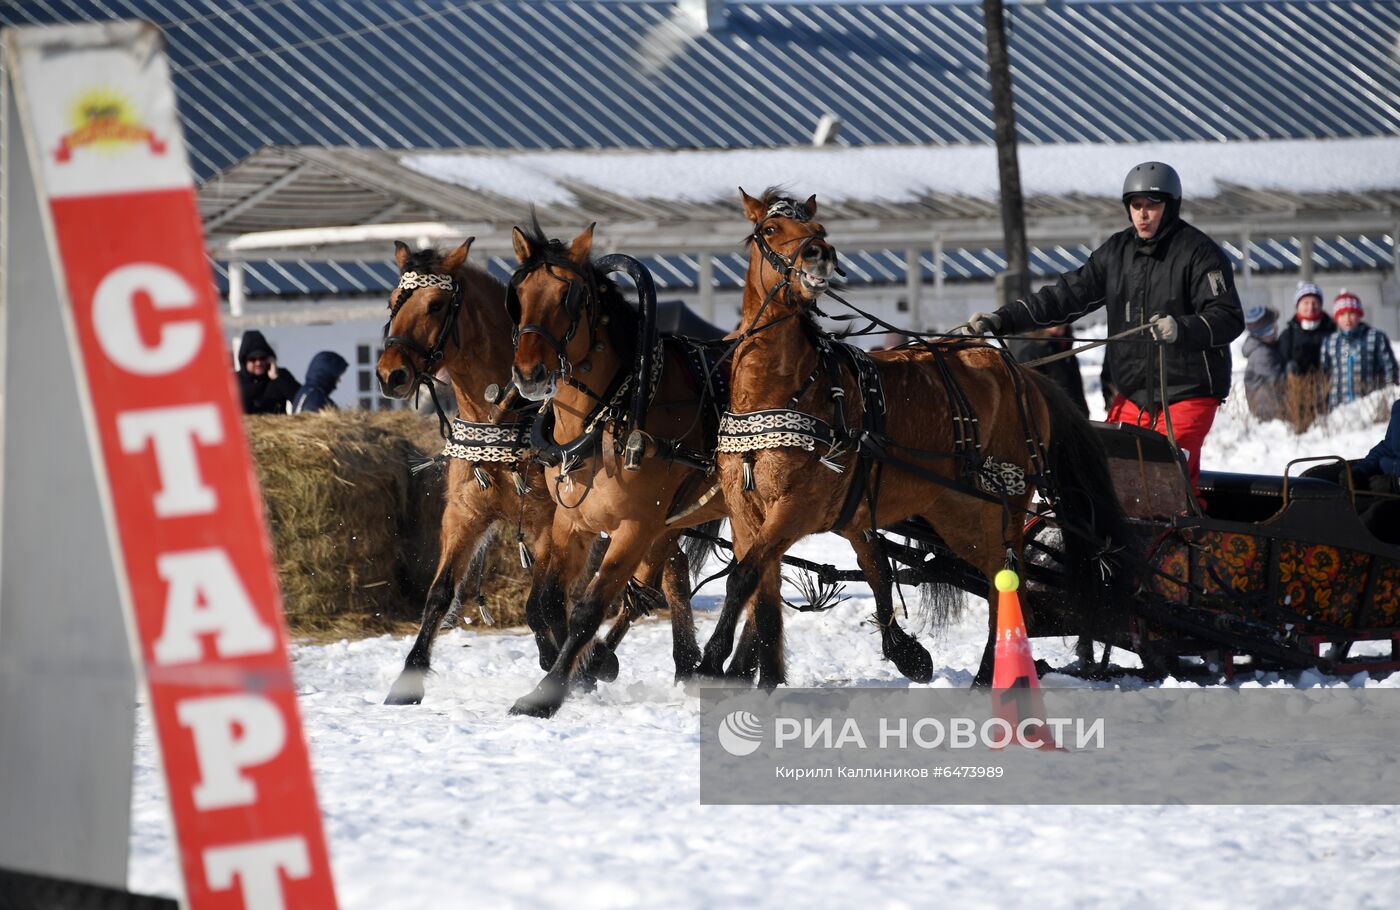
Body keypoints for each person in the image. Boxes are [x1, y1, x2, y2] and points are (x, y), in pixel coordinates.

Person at [954, 161, 1244, 488]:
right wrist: (1003, 318)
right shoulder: (1116, 252)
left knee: (1165, 481)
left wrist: (1182, 328)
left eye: (1152, 206)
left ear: (1171, 206)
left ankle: (1186, 537)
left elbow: (1228, 317)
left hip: (1188, 390)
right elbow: (1064, 297)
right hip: (1132, 392)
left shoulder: (1199, 253)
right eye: (1136, 206)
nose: (1143, 214)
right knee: (1111, 478)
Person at [1319, 290, 1399, 410]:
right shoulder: (1330, 342)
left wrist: (1388, 392)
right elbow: (1323, 375)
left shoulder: (1375, 337)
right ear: (1336, 318)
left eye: (1351, 313)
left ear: (1359, 314)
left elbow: (1390, 368)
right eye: (1342, 314)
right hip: (1339, 408)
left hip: (1371, 405)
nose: (1347, 319)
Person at [1008, 323, 1089, 416]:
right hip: (1050, 418)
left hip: (1074, 414)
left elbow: (1074, 384)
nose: (1060, 323)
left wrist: (1083, 412)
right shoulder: (1031, 349)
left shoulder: (1065, 342)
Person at [1276, 281, 1334, 377]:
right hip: (1297, 389)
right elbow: (1281, 366)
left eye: (1314, 303)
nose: (1310, 307)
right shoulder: (1288, 335)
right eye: (1306, 303)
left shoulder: (1332, 331)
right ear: (1297, 306)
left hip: (1326, 387)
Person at [235, 330, 300, 415]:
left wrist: (278, 378)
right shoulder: (234, 381)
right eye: (253, 359)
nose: (258, 363)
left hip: (278, 427)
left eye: (262, 358)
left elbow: (301, 400)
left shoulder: (281, 376)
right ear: (244, 361)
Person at [1241, 304, 1285, 421]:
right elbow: (1276, 378)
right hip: (1266, 408)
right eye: (1273, 327)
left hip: (1268, 404)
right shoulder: (1261, 354)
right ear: (1265, 332)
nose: (1276, 329)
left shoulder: (1265, 347)